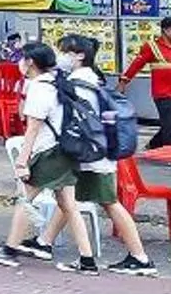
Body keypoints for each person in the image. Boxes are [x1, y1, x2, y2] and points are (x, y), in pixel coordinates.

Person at [0, 43, 96, 269]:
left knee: (25, 199)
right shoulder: (56, 83)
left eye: (22, 58)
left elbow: (32, 128)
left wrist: (22, 161)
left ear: (30, 62)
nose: (20, 63)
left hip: (49, 152)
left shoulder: (39, 87)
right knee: (68, 205)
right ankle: (87, 259)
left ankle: (9, 250)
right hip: (66, 150)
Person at [59, 33, 157, 274]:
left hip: (93, 156)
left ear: (80, 55)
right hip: (96, 154)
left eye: (64, 51)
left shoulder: (81, 83)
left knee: (109, 203)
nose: (61, 56)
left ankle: (140, 257)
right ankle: (43, 243)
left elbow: (79, 121)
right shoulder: (90, 78)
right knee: (68, 201)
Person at [121, 16, 171, 152]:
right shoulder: (152, 47)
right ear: (164, 31)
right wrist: (123, 82)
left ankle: (154, 145)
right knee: (169, 124)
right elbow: (136, 64)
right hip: (163, 93)